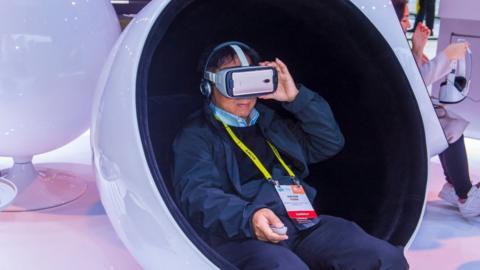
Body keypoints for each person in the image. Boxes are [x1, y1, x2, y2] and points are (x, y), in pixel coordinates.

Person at [172, 41, 408, 269]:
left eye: (251, 80)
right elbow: (197, 194)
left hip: (301, 223)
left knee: (384, 258)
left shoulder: (269, 122)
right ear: (208, 85)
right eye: (233, 81)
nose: (244, 94)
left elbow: (328, 143)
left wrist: (297, 99)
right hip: (242, 235)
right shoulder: (197, 135)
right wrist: (249, 217)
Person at [393, 0, 480, 218]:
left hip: (398, 114)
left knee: (444, 120)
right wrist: (447, 56)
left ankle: (457, 187)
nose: (407, 23)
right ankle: (464, 194)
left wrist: (417, 49)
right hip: (395, 119)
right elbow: (414, 83)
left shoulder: (393, 42)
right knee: (446, 125)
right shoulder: (388, 44)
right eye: (404, 19)